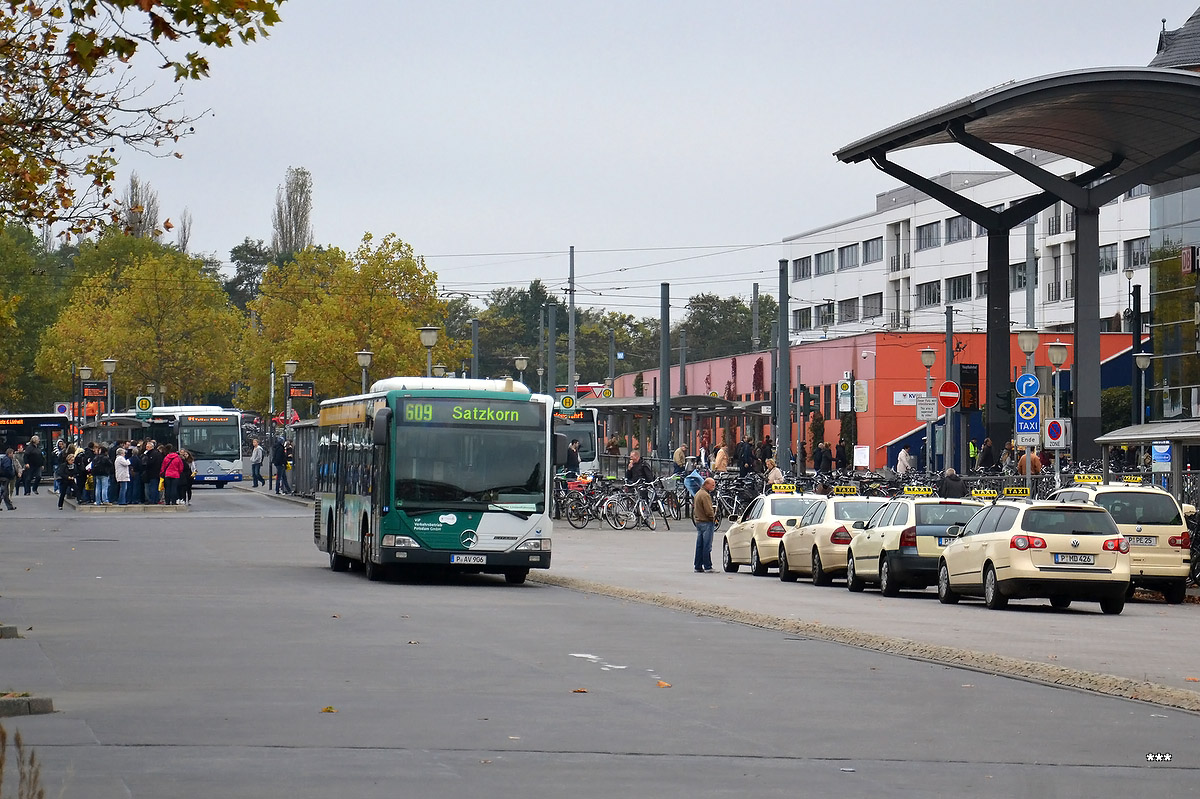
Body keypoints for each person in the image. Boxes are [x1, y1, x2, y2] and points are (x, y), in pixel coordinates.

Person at [692, 476, 717, 573]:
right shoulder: (705, 495)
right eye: (712, 485)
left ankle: (698, 565)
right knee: (707, 545)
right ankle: (707, 566)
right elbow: (708, 510)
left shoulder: (698, 493)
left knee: (700, 545)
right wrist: (713, 518)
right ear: (706, 484)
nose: (713, 486)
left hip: (699, 521)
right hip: (706, 521)